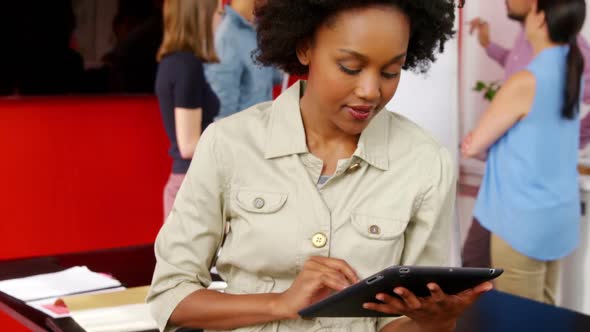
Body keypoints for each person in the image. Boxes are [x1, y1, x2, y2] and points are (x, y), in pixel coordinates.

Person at [148, 1, 492, 331]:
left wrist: (435, 323)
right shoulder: (228, 144)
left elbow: (396, 324)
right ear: (304, 48)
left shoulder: (425, 163)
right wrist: (280, 303)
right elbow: (171, 296)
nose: (371, 90)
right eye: (350, 67)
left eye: (391, 71)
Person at [462, 0, 585, 304]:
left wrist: (481, 136)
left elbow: (474, 145)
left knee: (522, 319)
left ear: (541, 17)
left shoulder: (526, 81)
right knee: (547, 311)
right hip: (557, 216)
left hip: (522, 222)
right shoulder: (572, 69)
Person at [155, 0, 220, 219]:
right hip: (191, 188)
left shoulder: (173, 62)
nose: (221, 18)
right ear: (200, 16)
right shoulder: (186, 66)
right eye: (217, 12)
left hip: (187, 184)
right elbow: (189, 145)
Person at [204, 0, 283, 120]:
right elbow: (222, 115)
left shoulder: (257, 30)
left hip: (262, 133)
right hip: (242, 136)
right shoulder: (227, 37)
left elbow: (276, 77)